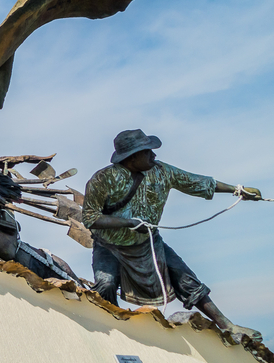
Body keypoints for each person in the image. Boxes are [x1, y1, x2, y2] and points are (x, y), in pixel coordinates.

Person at [82, 129, 264, 343]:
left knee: (186, 278)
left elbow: (196, 182)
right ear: (132, 157)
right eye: (148, 151)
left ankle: (228, 325)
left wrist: (237, 190)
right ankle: (110, 328)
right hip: (109, 247)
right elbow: (90, 217)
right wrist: (129, 223)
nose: (154, 155)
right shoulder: (102, 179)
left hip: (148, 244)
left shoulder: (162, 171)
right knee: (106, 284)